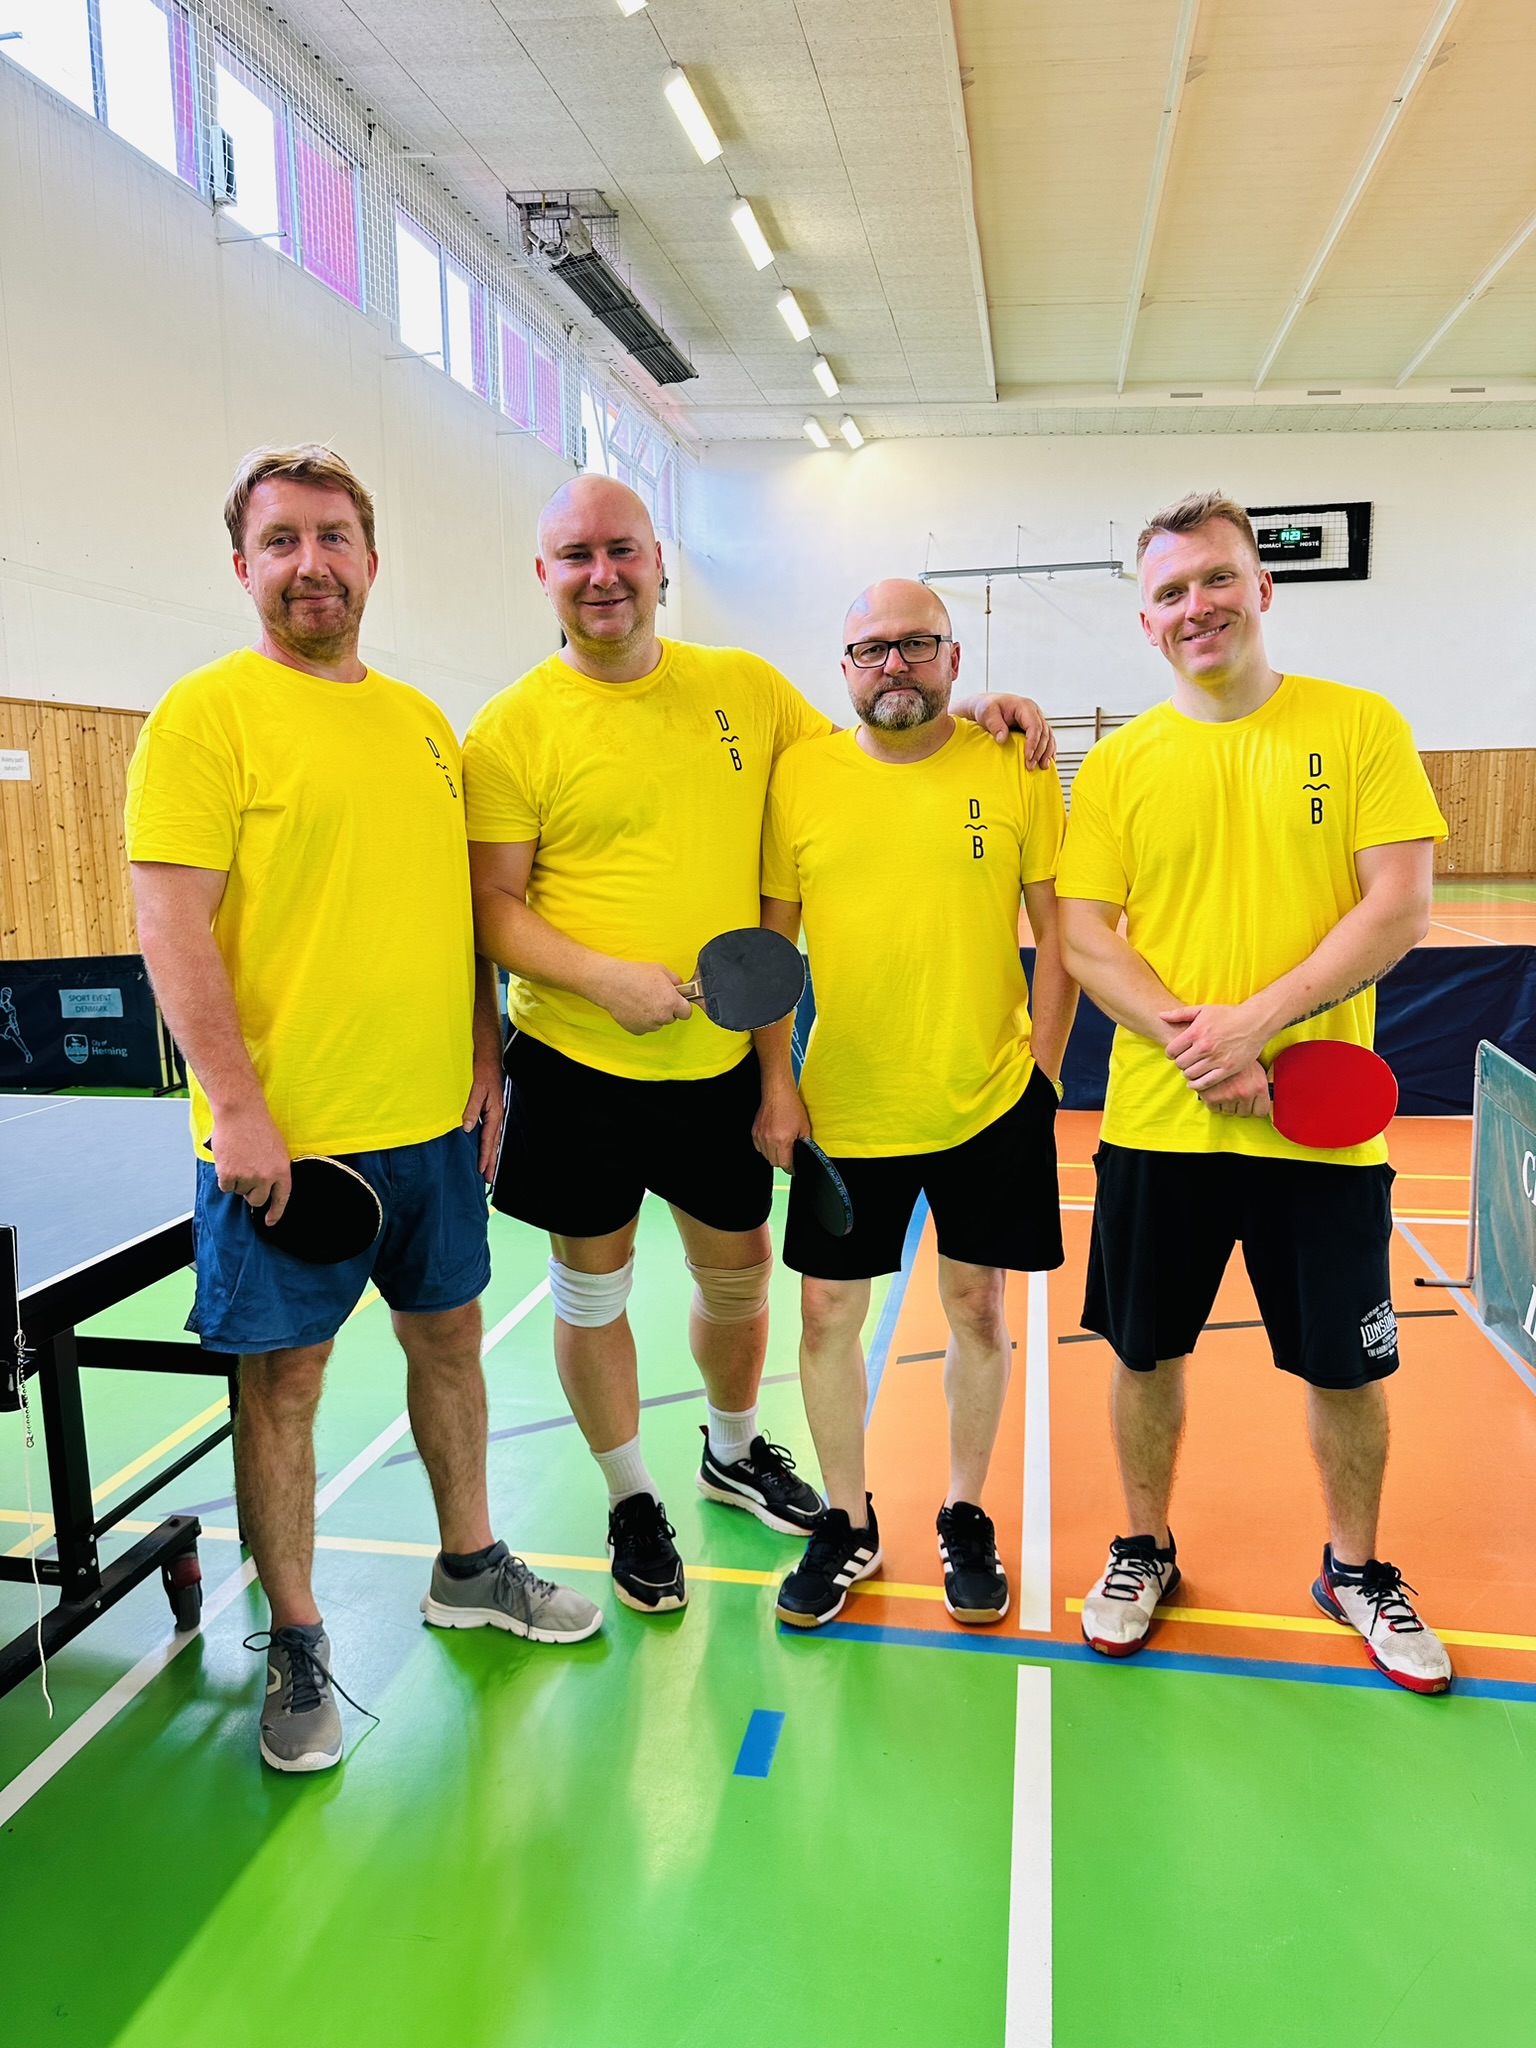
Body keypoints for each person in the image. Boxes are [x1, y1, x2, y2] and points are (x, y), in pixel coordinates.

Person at [465, 477, 1056, 1616]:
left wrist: (983, 707)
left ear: (659, 563)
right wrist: (603, 979)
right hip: (579, 1057)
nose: (603, 574)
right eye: (576, 555)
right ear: (544, 575)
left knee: (736, 1279)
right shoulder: (511, 727)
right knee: (592, 1292)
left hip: (718, 1064)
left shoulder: (744, 688)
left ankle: (732, 1450)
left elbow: (881, 740)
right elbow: (491, 906)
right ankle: (631, 1494)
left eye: (623, 550)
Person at [126, 445, 601, 1776]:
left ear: (372, 560)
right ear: (243, 566)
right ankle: (295, 1635)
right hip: (289, 1144)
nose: (311, 564)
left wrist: (485, 1053)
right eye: (281, 540)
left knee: (451, 1346)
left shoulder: (422, 726)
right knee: (283, 1390)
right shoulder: (205, 718)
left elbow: (454, 914)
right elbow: (171, 924)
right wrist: (237, 1108)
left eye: (333, 536)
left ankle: (469, 1564)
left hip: (432, 1128)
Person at [1055, 490, 1452, 1694]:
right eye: (1171, 591)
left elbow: (1400, 903)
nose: (1198, 606)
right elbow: (1085, 935)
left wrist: (1255, 1025)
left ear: (1263, 587)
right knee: (1144, 1352)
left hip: (1316, 1132)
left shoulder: (1360, 725)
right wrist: (1200, 1045)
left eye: (1217, 578)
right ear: (1146, 620)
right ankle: (1144, 1545)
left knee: (1347, 1366)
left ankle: (1355, 1568)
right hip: (1160, 1122)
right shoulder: (1118, 763)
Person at [753, 580, 1077, 1628]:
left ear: (954, 655)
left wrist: (1045, 1076)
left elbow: (1059, 934)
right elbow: (771, 947)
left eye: (916, 644)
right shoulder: (801, 776)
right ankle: (846, 1519)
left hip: (988, 1099)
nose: (893, 663)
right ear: (845, 666)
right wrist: (777, 1083)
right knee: (824, 1317)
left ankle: (965, 1511)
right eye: (871, 648)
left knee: (977, 1308)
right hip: (846, 1106)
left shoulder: (1014, 764)